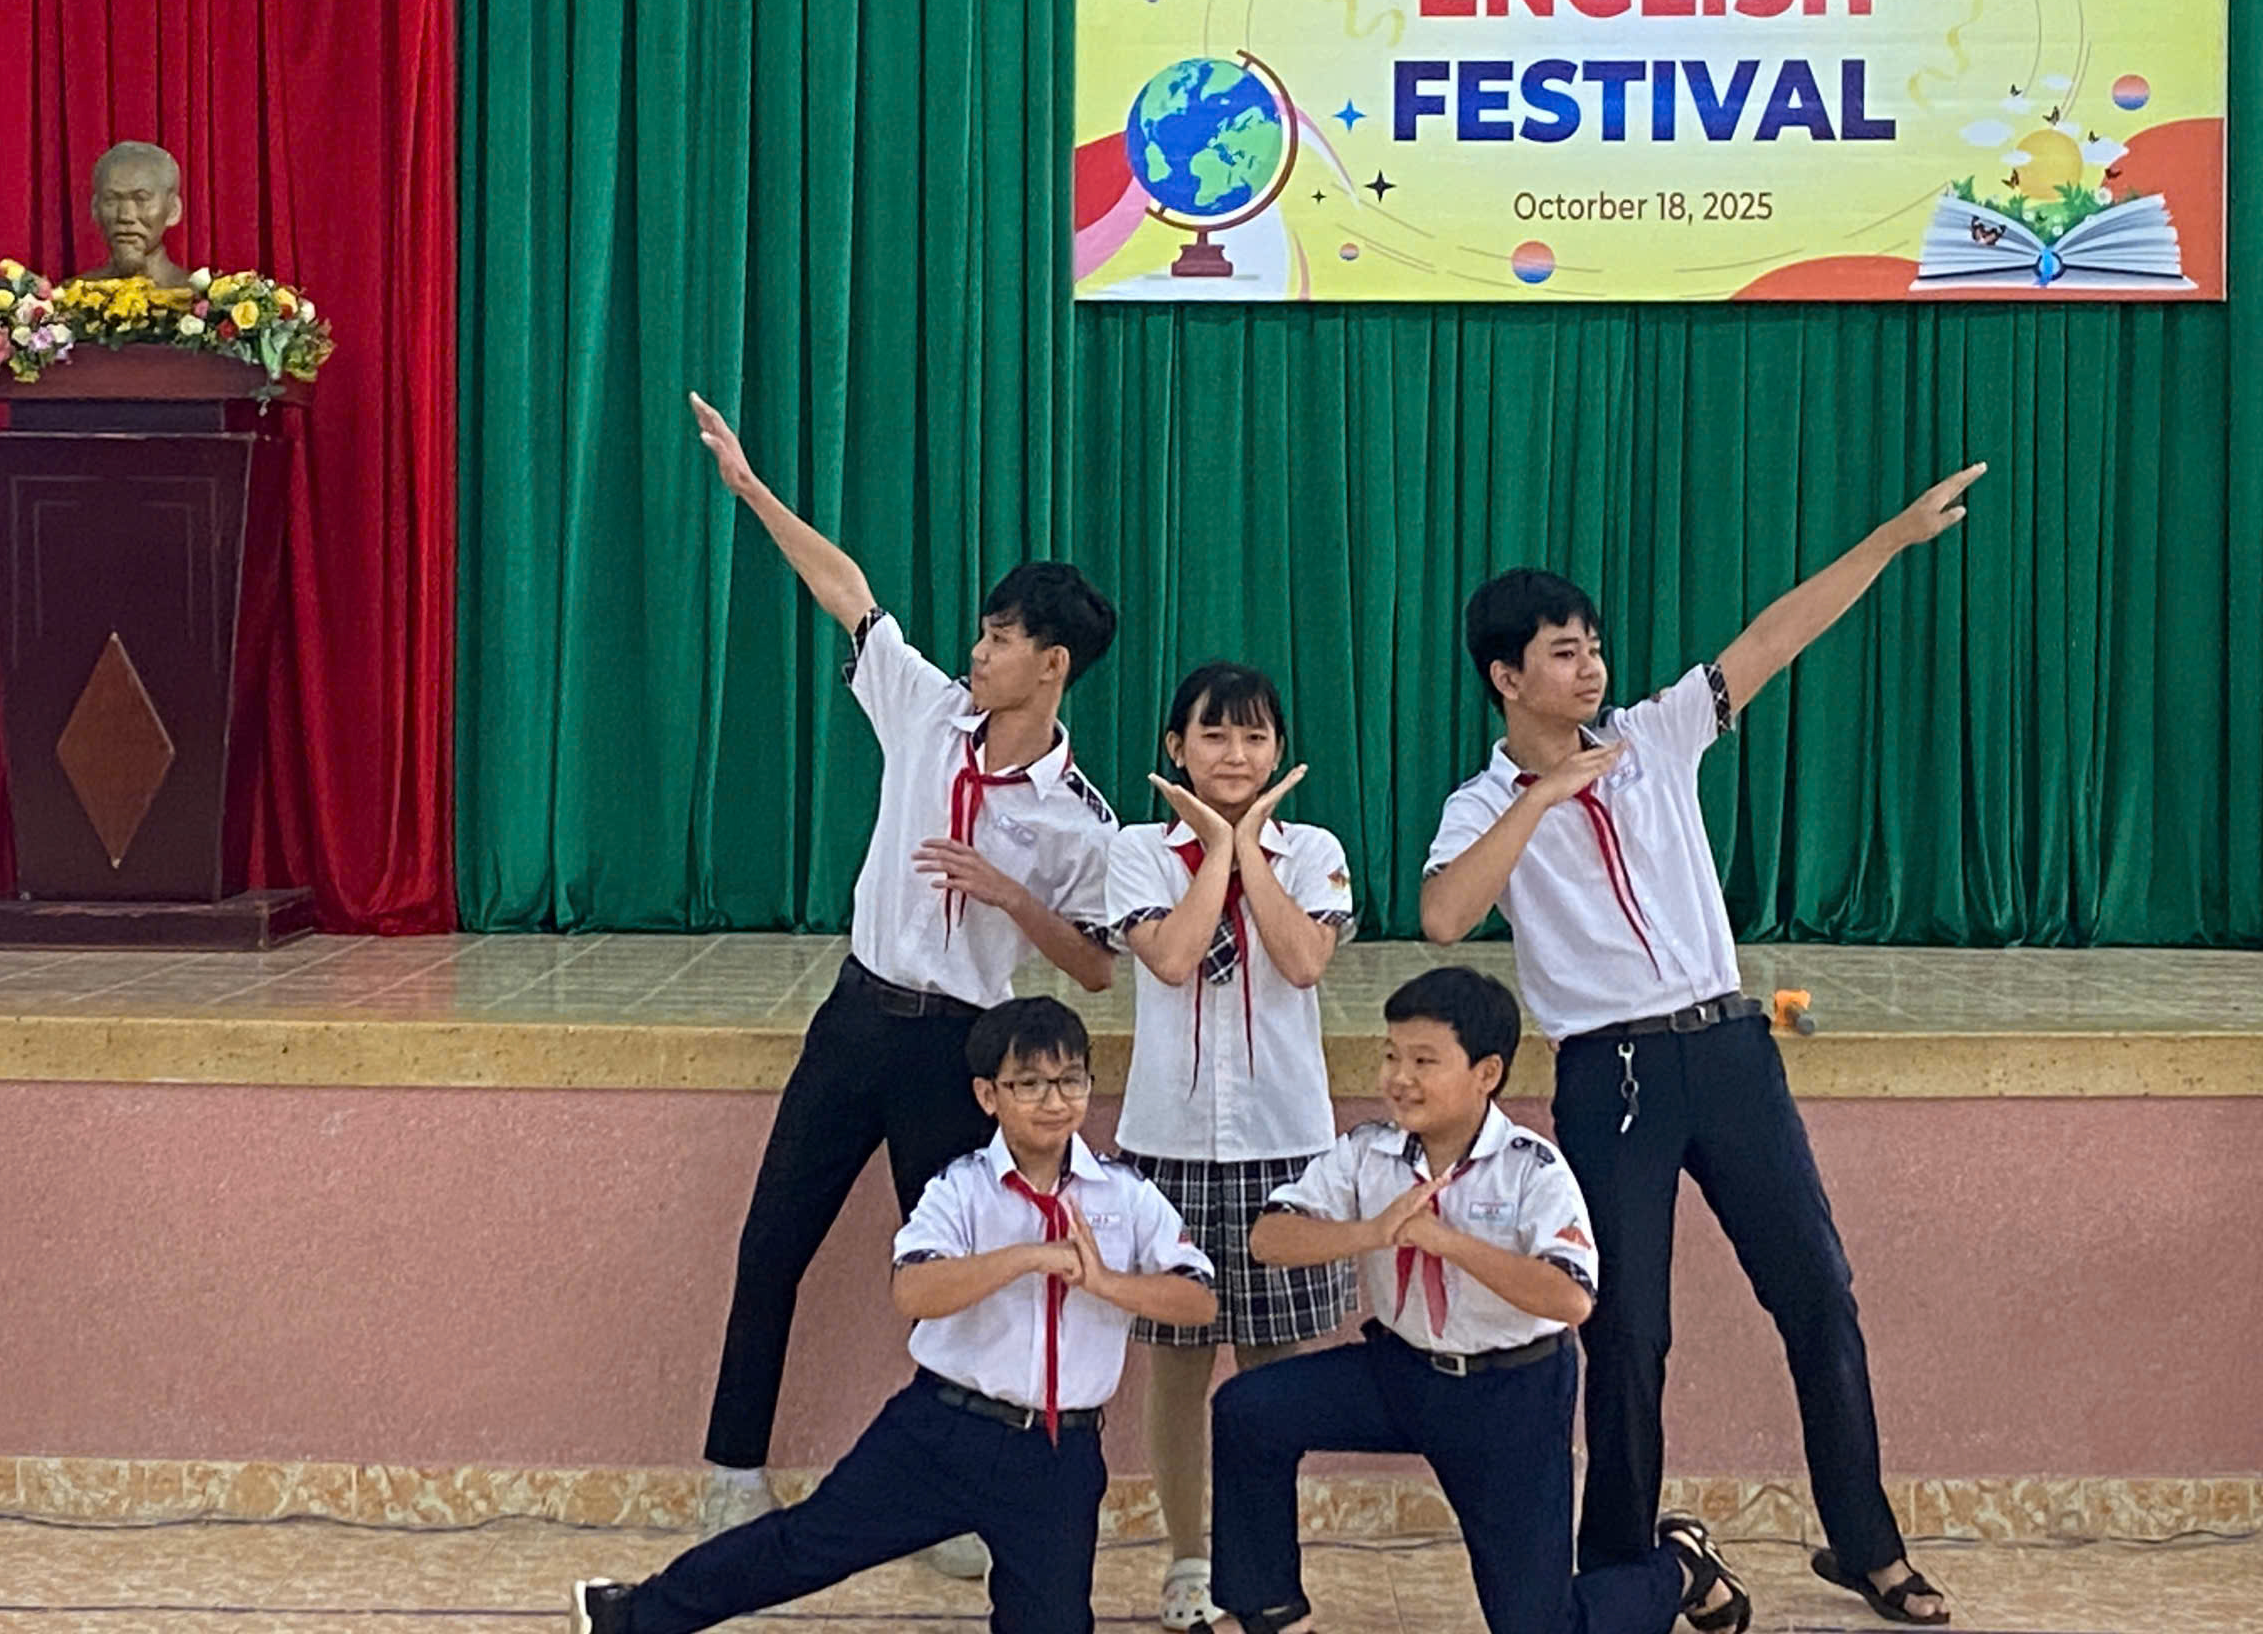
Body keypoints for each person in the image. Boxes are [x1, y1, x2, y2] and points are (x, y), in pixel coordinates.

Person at [1419, 465, 1985, 1627]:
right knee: (1628, 1332)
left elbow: (1774, 636)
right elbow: (1442, 917)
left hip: (1727, 1053)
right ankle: (1624, 1563)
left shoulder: (1656, 735)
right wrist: (1540, 798)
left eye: (1593, 648)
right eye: (1563, 653)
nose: (1590, 668)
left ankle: (1865, 1543)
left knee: (1817, 1292)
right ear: (1506, 677)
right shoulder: (1481, 805)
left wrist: (1889, 537)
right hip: (1610, 1075)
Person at [687, 393, 1121, 1577]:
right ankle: (732, 1471)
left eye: (999, 639)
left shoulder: (1080, 821)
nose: (976, 652)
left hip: (959, 1051)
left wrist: (1012, 896)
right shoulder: (930, 714)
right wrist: (750, 488)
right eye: (979, 633)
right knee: (773, 1242)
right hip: (855, 1019)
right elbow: (850, 593)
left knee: (952, 1275)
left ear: (1053, 665)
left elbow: (1096, 966)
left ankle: (952, 1502)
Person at [572, 997, 1219, 1634]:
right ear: (988, 1095)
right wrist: (1027, 1257)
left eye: (1070, 1080)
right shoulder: (959, 1187)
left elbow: (1198, 1299)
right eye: (1029, 1084)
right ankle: (628, 1615)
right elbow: (912, 1290)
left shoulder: (1125, 1194)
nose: (1054, 1101)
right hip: (943, 1430)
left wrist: (1105, 1282)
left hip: (1060, 1451)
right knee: (808, 1546)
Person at [1207, 968, 1750, 1634]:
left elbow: (1571, 1298)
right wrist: (1373, 1232)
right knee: (1249, 1409)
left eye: (1424, 1061)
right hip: (1400, 1372)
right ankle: (1270, 1608)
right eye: (1391, 1056)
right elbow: (1268, 1238)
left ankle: (1681, 1568)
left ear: (1486, 1072)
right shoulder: (1368, 1151)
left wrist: (1446, 1242)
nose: (1398, 1078)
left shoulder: (1532, 1168)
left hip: (1509, 1395)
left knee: (1537, 1625)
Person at [1106, 662, 1356, 1629]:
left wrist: (1250, 849)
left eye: (1255, 737)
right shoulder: (1137, 850)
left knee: (1274, 1374)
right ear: (1176, 748)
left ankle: (1263, 1561)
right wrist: (1216, 850)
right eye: (1213, 735)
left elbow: (1302, 960)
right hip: (1168, 1142)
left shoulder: (1314, 850)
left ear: (1279, 750)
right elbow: (1173, 958)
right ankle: (1187, 1560)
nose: (1236, 754)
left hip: (1283, 1140)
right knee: (1176, 1364)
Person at [81, 141, 189, 286]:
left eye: (141, 199)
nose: (125, 216)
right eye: (111, 199)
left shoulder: (203, 295)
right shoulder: (68, 295)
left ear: (173, 210)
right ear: (95, 209)